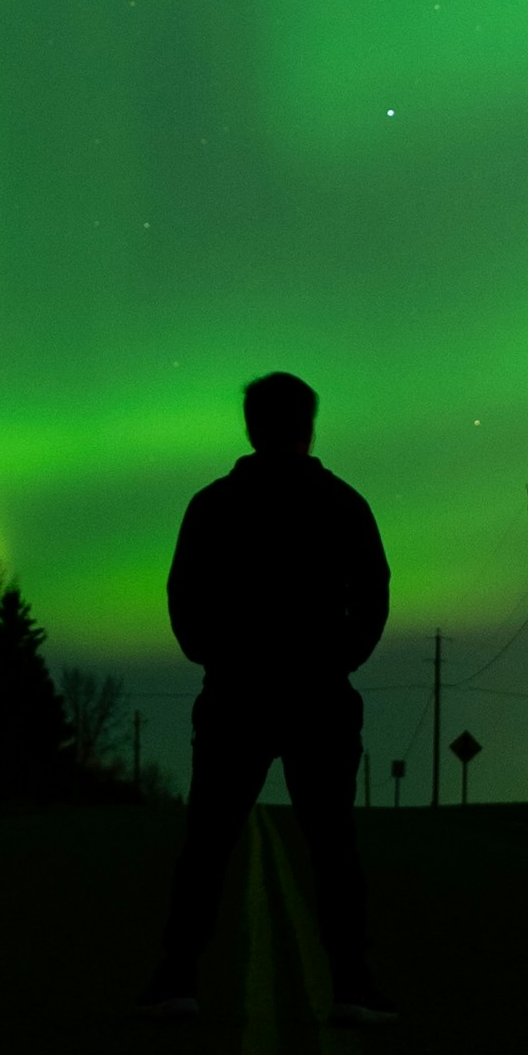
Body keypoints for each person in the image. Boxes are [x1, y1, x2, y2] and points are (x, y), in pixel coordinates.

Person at [138, 370, 393, 1021]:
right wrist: (336, 658)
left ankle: (176, 980)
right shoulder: (343, 503)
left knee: (209, 840)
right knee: (331, 841)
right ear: (308, 425)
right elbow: (372, 596)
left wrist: (216, 653)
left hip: (237, 694)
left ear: (251, 426)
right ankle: (353, 986)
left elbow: (182, 594)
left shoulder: (213, 504)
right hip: (316, 696)